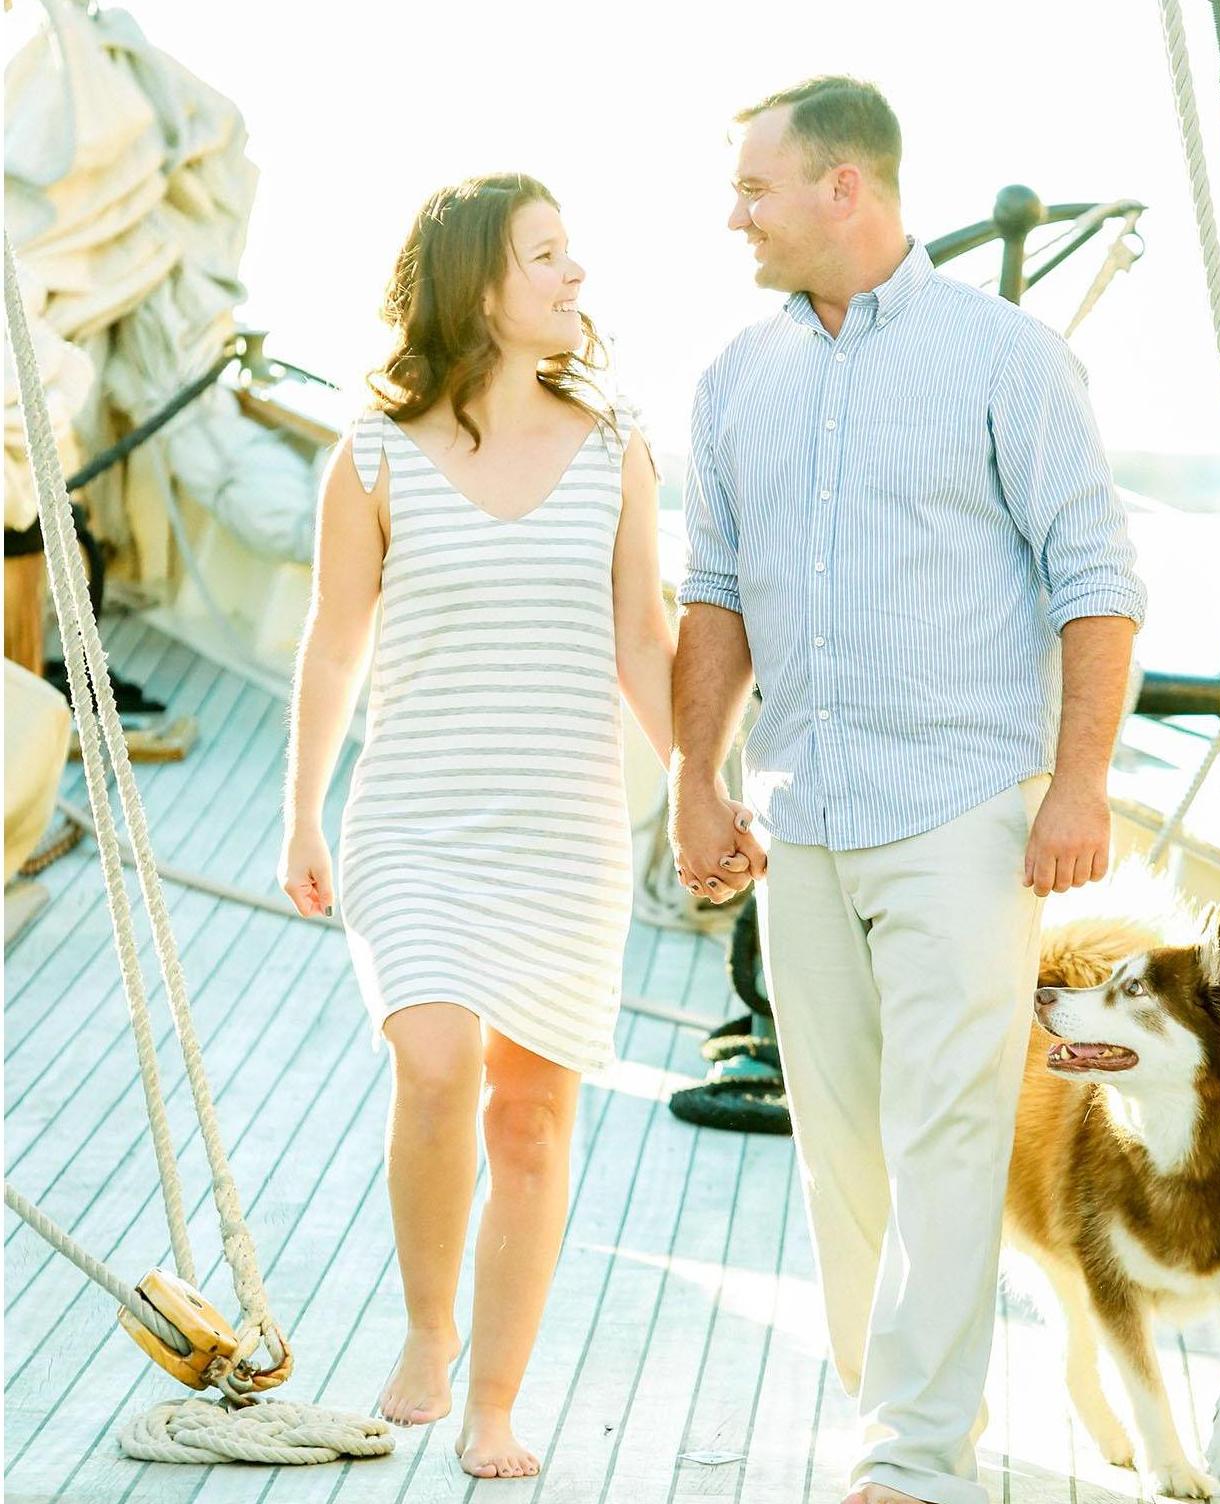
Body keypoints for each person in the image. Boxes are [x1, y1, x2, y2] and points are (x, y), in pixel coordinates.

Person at [668, 78, 1147, 1504]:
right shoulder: (732, 381)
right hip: (802, 815)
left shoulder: (1007, 359)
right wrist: (696, 779)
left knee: (946, 1125)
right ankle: (897, 1410)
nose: (732, 215)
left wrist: (1080, 786)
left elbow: (1098, 579)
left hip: (963, 812)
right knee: (843, 1148)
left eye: (753, 188)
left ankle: (913, 1456)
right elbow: (712, 599)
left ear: (845, 190)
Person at [278, 172, 751, 1481]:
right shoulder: (370, 451)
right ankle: (427, 1333)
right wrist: (301, 814)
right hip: (415, 821)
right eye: (548, 256)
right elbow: (332, 647)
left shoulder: (615, 446)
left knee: (531, 1119)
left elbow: (643, 639)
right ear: (479, 282)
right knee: (434, 1066)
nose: (576, 277)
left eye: (571, 255)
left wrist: (703, 789)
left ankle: (492, 1399)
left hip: (565, 831)